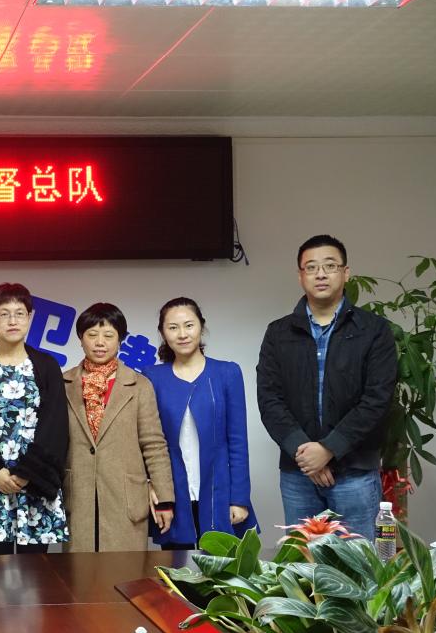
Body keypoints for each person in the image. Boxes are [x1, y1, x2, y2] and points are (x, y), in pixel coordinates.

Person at [257, 234, 397, 541]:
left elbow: (377, 398)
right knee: (302, 563)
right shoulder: (278, 333)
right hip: (299, 473)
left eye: (330, 266)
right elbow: (270, 399)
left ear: (346, 273)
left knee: (358, 563)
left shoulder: (374, 330)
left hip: (355, 473)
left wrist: (329, 449)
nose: (320, 274)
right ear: (300, 276)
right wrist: (306, 454)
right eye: (311, 267)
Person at [0, 283, 69, 555]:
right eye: (4, 314)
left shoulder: (46, 366)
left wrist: (27, 473)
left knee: (37, 572)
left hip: (34, 484)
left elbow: (55, 426)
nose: (12, 321)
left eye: (20, 313)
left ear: (30, 318)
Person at [143, 297, 258, 550]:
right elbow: (147, 441)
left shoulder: (227, 373)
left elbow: (238, 441)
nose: (182, 334)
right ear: (163, 333)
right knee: (175, 568)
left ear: (201, 327)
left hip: (219, 490)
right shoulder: (152, 377)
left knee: (223, 568)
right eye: (173, 327)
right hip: (173, 493)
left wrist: (239, 498)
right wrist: (153, 487)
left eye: (189, 325)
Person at [62, 302, 174, 552]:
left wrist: (164, 499)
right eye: (92, 334)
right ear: (80, 338)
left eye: (108, 335)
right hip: (78, 496)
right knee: (77, 573)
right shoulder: (63, 383)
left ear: (120, 339)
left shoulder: (139, 385)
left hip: (125, 498)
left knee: (125, 572)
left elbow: (154, 444)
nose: (100, 342)